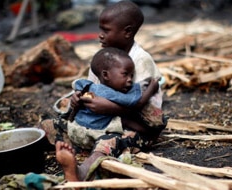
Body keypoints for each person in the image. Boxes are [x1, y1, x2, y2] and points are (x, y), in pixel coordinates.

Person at [40, 0, 167, 182]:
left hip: (132, 126)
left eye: (106, 30)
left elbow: (142, 108)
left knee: (108, 143)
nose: (100, 35)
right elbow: (91, 89)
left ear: (127, 32)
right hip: (97, 122)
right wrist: (79, 98)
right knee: (48, 126)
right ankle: (24, 154)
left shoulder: (140, 60)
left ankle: (81, 172)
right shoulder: (104, 57)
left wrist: (108, 108)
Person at [67, 47, 160, 151]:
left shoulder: (91, 87)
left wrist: (78, 93)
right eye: (125, 74)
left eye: (132, 75)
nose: (130, 80)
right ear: (105, 75)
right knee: (123, 121)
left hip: (75, 129)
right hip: (93, 134)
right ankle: (149, 134)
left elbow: (78, 84)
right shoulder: (110, 94)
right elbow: (138, 103)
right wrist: (151, 88)